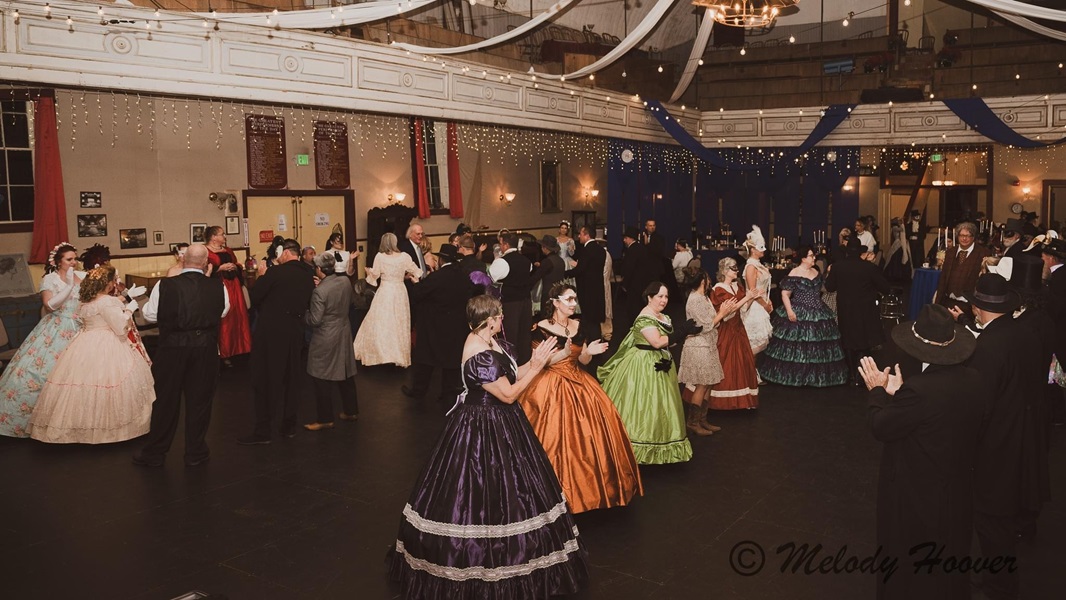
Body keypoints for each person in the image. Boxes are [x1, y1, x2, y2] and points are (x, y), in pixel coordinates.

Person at [387, 295, 588, 598]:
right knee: (479, 492)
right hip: (481, 425)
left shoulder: (491, 341)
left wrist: (540, 362)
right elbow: (508, 395)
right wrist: (536, 367)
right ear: (489, 319)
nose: (502, 320)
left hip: (504, 423)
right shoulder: (479, 352)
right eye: (500, 316)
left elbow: (512, 374)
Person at [857, 304, 986, 600]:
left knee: (912, 558)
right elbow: (938, 418)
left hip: (918, 493)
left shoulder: (920, 390)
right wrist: (900, 394)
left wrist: (877, 391)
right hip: (958, 488)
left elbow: (881, 426)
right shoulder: (974, 380)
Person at [521, 283, 643, 512]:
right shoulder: (540, 328)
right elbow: (541, 362)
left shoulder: (580, 325)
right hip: (550, 383)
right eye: (568, 299)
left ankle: (591, 492)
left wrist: (588, 353)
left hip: (580, 381)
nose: (573, 303)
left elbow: (583, 360)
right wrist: (565, 353)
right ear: (555, 302)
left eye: (574, 299)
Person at [966, 272, 1046, 600]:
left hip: (998, 448)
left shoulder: (987, 346)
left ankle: (999, 587)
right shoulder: (1026, 334)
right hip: (1027, 440)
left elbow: (981, 405)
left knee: (992, 524)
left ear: (976, 308)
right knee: (1006, 518)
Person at [29, 265, 155, 444]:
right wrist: (129, 309)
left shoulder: (85, 301)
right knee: (109, 382)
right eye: (113, 281)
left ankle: (79, 429)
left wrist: (124, 300)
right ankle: (110, 430)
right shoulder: (106, 301)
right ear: (109, 284)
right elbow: (120, 327)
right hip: (107, 343)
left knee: (80, 384)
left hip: (84, 342)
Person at [133, 244, 229, 467]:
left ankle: (155, 453)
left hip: (173, 347)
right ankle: (195, 453)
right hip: (205, 348)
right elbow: (223, 310)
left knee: (166, 400)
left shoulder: (165, 285)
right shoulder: (217, 285)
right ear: (206, 263)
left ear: (183, 260)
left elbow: (149, 314)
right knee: (200, 401)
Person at [598, 282, 696, 464]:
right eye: (660, 296)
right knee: (642, 405)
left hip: (661, 362)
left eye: (666, 296)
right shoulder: (644, 317)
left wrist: (682, 335)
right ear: (649, 297)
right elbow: (657, 342)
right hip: (643, 365)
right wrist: (682, 331)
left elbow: (669, 342)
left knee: (661, 406)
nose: (664, 300)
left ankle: (661, 444)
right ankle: (637, 448)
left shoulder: (664, 317)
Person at [0, 243, 84, 438]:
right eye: (69, 259)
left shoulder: (82, 277)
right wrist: (69, 285)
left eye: (75, 258)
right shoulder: (50, 279)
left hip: (80, 327)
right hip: (57, 328)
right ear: (58, 262)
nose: (74, 262)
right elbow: (50, 306)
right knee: (43, 372)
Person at [239, 239, 316, 445]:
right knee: (292, 378)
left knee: (266, 378)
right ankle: (288, 426)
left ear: (285, 253)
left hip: (272, 332)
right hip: (296, 330)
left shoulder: (274, 273)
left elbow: (254, 298)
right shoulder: (308, 274)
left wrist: (261, 276)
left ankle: (263, 430)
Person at [761, 246, 849, 387]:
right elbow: (785, 294)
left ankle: (815, 377)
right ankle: (796, 376)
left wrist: (829, 274)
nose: (814, 258)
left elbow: (823, 289)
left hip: (818, 310)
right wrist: (790, 311)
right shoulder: (795, 272)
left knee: (818, 345)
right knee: (798, 345)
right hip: (799, 309)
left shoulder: (815, 271)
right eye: (811, 256)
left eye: (813, 256)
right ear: (803, 258)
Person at [402, 244, 476, 408]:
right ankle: (447, 393)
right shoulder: (464, 277)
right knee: (451, 361)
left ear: (441, 259)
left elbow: (418, 294)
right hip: (457, 326)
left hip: (434, 325)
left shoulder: (437, 277)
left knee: (426, 360)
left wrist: (415, 283)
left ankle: (419, 391)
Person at [677, 268, 741, 435]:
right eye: (707, 278)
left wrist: (727, 311)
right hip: (699, 346)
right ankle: (693, 422)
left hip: (709, 344)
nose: (710, 280)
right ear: (702, 281)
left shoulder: (703, 298)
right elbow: (703, 326)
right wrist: (722, 313)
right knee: (702, 384)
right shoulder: (695, 300)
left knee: (709, 382)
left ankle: (702, 419)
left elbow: (717, 319)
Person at [302, 253, 359, 431]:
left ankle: (325, 418)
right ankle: (351, 411)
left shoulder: (319, 291)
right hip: (343, 330)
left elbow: (315, 320)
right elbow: (350, 302)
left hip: (325, 335)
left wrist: (304, 313)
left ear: (318, 269)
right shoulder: (344, 282)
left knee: (320, 375)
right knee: (345, 371)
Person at [824, 240, 891, 384]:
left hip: (846, 308)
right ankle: (864, 374)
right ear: (862, 253)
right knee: (865, 339)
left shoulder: (838, 267)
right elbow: (885, 287)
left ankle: (851, 373)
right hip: (866, 309)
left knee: (848, 339)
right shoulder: (869, 267)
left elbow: (829, 287)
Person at [353, 232, 421, 367]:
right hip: (400, 291)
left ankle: (382, 354)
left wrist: (368, 273)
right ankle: (398, 355)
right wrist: (406, 276)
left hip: (385, 291)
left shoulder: (380, 257)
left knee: (382, 322)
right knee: (399, 323)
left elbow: (374, 278)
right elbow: (418, 271)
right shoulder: (404, 257)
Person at [708, 257, 761, 410]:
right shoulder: (718, 289)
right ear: (724, 271)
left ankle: (742, 401)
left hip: (739, 329)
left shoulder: (737, 286)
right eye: (733, 268)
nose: (736, 270)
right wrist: (747, 297)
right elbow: (728, 312)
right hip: (726, 331)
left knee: (742, 363)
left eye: (737, 267)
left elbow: (743, 309)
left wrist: (752, 297)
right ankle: (722, 402)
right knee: (726, 362)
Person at [204, 225, 252, 362]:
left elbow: (236, 263)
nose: (224, 236)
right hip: (220, 287)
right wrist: (220, 268)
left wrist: (235, 266)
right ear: (213, 237)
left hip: (234, 286)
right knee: (225, 318)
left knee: (238, 316)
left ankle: (241, 348)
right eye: (222, 234)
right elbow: (203, 270)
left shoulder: (228, 250)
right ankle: (225, 352)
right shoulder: (206, 251)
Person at [488, 231, 535, 364]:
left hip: (510, 303)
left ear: (506, 245)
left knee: (509, 334)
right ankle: (525, 363)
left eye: (501, 244)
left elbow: (490, 278)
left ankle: (511, 365)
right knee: (524, 333)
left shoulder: (502, 262)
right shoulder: (527, 261)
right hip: (526, 301)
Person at [935, 221, 990, 313]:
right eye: (961, 235)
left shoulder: (983, 253)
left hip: (969, 305)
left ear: (973, 237)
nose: (964, 238)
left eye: (968, 236)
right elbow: (943, 279)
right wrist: (937, 303)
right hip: (948, 301)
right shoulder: (950, 252)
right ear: (957, 236)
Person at [567, 226, 607, 342]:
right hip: (598, 287)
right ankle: (592, 339)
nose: (579, 236)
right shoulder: (601, 250)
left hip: (587, 289)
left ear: (587, 235)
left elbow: (580, 270)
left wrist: (564, 273)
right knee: (594, 317)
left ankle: (592, 342)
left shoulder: (586, 250)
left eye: (580, 234)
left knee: (589, 317)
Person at [740, 225, 773, 355]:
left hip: (761, 303)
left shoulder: (757, 264)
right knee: (752, 347)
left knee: (758, 348)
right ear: (753, 250)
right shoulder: (751, 267)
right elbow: (753, 291)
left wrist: (767, 301)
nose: (764, 249)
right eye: (760, 247)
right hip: (755, 306)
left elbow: (763, 287)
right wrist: (764, 304)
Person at [619, 226, 657, 328]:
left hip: (633, 284)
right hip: (643, 283)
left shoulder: (631, 250)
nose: (624, 240)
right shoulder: (642, 249)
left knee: (633, 308)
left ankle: (635, 328)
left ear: (630, 238)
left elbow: (629, 269)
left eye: (625, 238)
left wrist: (625, 284)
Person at [530, 235, 566, 307]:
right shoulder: (561, 260)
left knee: (547, 315)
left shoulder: (547, 261)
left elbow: (536, 277)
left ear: (545, 248)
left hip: (548, 294)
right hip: (560, 293)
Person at [883, 217, 912, 282]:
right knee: (895, 259)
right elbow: (901, 229)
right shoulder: (894, 228)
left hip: (902, 244)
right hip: (897, 244)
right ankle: (895, 275)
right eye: (899, 220)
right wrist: (903, 224)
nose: (900, 221)